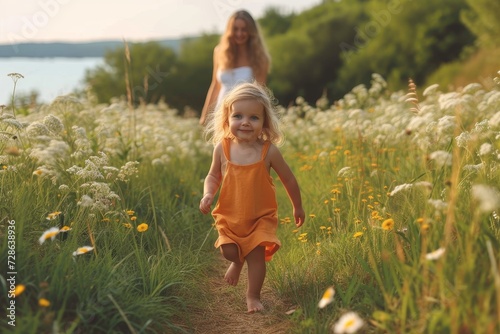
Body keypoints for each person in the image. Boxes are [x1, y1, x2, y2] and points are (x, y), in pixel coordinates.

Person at [199, 82, 305, 313]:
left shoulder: (269, 152)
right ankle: (236, 262)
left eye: (254, 118)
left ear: (264, 123)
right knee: (228, 251)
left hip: (260, 217)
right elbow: (213, 175)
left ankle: (253, 296)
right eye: (238, 115)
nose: (245, 122)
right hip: (229, 214)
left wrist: (297, 207)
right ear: (227, 119)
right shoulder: (222, 148)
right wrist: (208, 193)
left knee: (256, 258)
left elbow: (289, 179)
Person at [199, 10, 271, 125]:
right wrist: (204, 115)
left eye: (244, 29)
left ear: (251, 31)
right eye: (235, 29)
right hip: (220, 115)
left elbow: (260, 95)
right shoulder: (219, 52)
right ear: (229, 30)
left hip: (244, 119)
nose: (239, 33)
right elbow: (215, 86)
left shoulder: (260, 58)